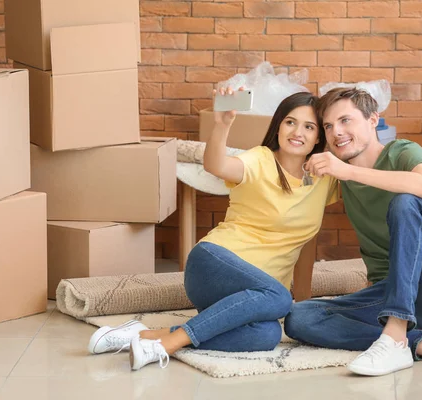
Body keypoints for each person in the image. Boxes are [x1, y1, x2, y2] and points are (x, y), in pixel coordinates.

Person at [86, 88, 338, 371]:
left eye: (309, 126)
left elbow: (305, 241)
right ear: (278, 125)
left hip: (250, 295)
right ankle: (167, 345)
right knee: (279, 296)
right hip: (214, 265)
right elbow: (215, 165)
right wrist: (222, 125)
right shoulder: (260, 159)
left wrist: (302, 298)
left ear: (319, 137)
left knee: (266, 335)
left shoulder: (323, 179)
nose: (297, 132)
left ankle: (144, 336)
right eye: (290, 122)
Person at [283, 87, 422, 377]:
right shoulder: (338, 172)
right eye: (328, 126)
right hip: (389, 295)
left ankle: (396, 334)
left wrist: (348, 172)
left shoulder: (402, 152)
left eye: (345, 120)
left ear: (373, 120)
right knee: (298, 318)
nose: (336, 132)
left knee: (405, 201)